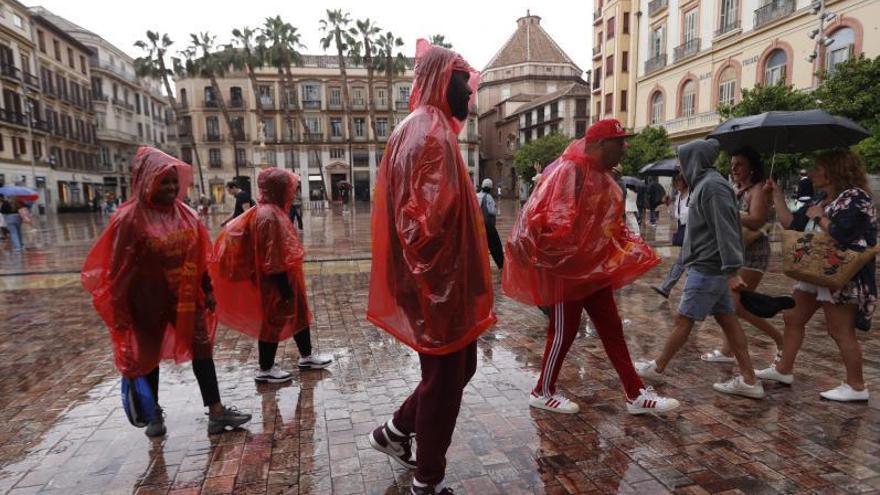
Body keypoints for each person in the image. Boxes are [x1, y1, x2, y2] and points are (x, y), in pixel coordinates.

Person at [365, 40, 495, 495]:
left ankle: (395, 432)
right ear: (443, 79)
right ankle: (427, 481)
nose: (469, 89)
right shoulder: (429, 134)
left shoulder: (428, 127)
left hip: (441, 283)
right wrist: (439, 287)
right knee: (443, 382)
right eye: (463, 79)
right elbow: (422, 222)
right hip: (436, 284)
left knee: (459, 370)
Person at [504, 118, 679, 416]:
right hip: (566, 269)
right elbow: (547, 217)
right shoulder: (570, 171)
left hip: (591, 270)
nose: (625, 148)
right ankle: (542, 390)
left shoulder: (603, 177)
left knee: (611, 328)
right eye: (619, 142)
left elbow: (606, 224)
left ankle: (635, 393)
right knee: (563, 330)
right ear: (599, 144)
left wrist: (624, 248)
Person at [81, 147, 252, 437]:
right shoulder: (129, 220)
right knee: (148, 356)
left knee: (202, 349)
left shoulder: (184, 214)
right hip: (146, 301)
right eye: (165, 181)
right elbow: (118, 270)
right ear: (147, 181)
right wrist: (121, 312)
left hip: (185, 296)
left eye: (174, 181)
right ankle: (153, 414)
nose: (172, 187)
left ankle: (217, 411)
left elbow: (197, 256)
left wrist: (207, 288)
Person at [635, 138, 765, 399]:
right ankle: (750, 380)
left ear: (694, 159)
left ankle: (657, 368)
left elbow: (726, 230)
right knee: (728, 322)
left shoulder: (713, 187)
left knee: (683, 320)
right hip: (709, 266)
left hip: (709, 268)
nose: (680, 165)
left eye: (682, 158)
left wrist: (731, 271)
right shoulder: (706, 185)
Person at [757, 150, 875, 401]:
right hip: (814, 270)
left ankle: (856, 386)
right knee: (792, 317)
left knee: (840, 330)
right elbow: (792, 224)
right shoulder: (823, 197)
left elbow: (844, 234)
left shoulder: (856, 198)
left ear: (834, 171)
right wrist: (776, 195)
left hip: (841, 273)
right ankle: (783, 369)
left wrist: (819, 217)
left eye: (817, 168)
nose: (811, 173)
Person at [211, 168, 332, 385]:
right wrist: (284, 289)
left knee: (300, 315)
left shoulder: (272, 212)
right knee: (273, 321)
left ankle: (306, 357)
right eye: (289, 189)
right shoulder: (269, 216)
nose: (292, 194)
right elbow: (273, 257)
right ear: (278, 189)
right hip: (276, 279)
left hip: (286, 276)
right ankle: (265, 368)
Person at [699, 148, 784, 363]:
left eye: (739, 164)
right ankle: (727, 351)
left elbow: (756, 219)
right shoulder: (736, 190)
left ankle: (779, 338)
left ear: (752, 168)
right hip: (737, 252)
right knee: (732, 305)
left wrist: (729, 213)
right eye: (732, 164)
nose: (734, 168)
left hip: (753, 254)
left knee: (736, 306)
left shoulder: (757, 190)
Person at [652, 172, 689, 298]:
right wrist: (669, 204)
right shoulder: (679, 196)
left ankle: (667, 287)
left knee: (683, 261)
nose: (677, 183)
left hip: (692, 230)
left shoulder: (692, 194)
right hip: (683, 230)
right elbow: (675, 215)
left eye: (679, 181)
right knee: (686, 262)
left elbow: (689, 214)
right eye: (676, 181)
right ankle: (669, 288)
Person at [477, 178, 504, 269]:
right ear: (490, 188)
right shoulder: (488, 197)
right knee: (495, 246)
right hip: (487, 226)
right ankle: (501, 264)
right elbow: (492, 211)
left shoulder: (476, 195)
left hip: (476, 226)